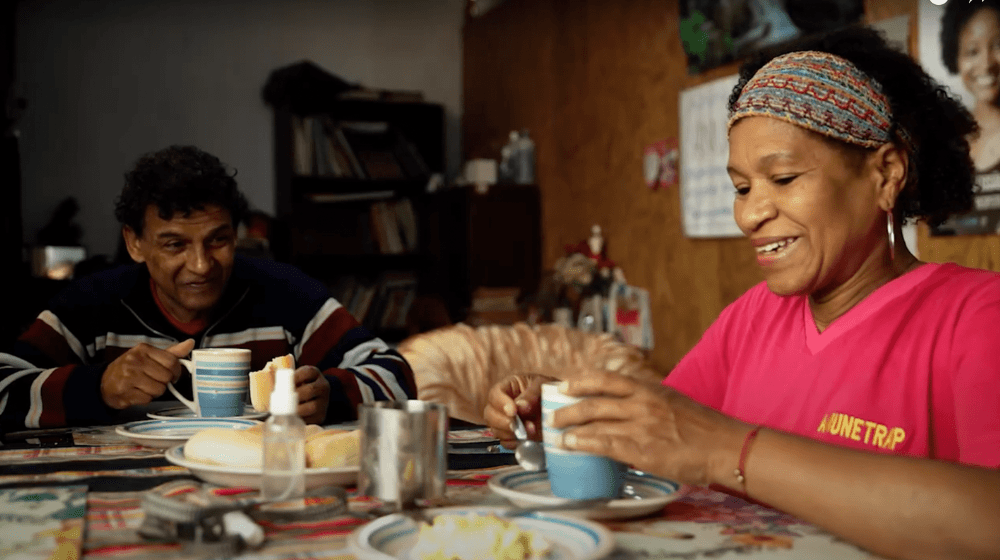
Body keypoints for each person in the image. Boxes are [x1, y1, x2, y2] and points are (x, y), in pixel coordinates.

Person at [484, 26, 1000, 560]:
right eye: (743, 188)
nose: (752, 214)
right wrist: (575, 417)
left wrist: (730, 449)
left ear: (885, 174)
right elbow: (668, 445)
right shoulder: (753, 317)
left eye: (784, 178)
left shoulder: (977, 317)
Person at [0, 145, 416, 433]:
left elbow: (397, 376)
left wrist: (332, 396)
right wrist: (98, 387)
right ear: (134, 243)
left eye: (217, 240)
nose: (201, 266)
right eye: (175, 244)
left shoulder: (287, 293)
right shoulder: (92, 303)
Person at [941, 0, 1000, 173]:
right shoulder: (947, 142)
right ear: (955, 58)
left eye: (998, 45)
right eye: (972, 51)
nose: (987, 64)